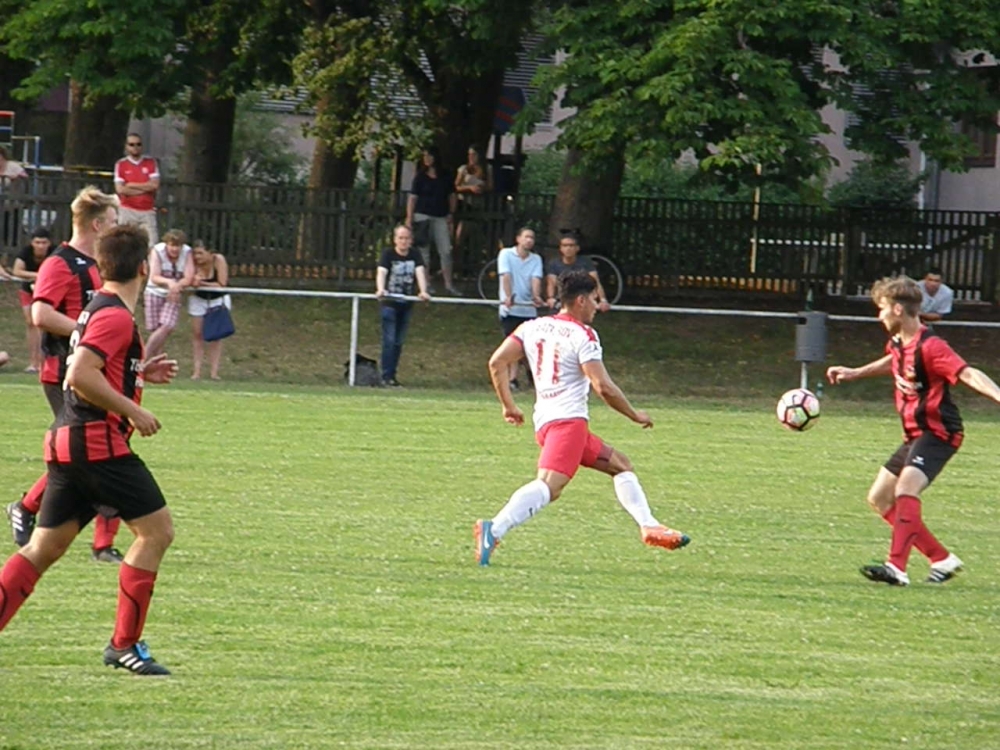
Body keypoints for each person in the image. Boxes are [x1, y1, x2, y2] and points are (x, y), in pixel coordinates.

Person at [0, 222, 178, 675]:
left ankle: (123, 645)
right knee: (156, 533)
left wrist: (138, 372)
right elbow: (79, 374)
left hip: (68, 442)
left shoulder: (98, 306)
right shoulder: (115, 315)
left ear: (101, 266)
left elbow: (94, 366)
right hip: (96, 443)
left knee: (43, 548)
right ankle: (124, 645)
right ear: (144, 268)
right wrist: (133, 410)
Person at [474, 270, 690, 565]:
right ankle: (494, 529)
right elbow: (603, 387)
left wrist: (508, 406)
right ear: (580, 300)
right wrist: (633, 414)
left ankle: (649, 526)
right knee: (549, 486)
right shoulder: (583, 335)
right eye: (594, 299)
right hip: (568, 423)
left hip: (546, 422)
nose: (597, 306)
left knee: (621, 465)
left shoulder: (531, 327)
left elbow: (496, 362)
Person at [826, 275, 1000, 586]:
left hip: (939, 433)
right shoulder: (898, 342)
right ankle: (941, 558)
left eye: (881, 308)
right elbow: (893, 362)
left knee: (906, 490)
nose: (879, 316)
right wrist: (855, 373)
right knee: (880, 498)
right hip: (915, 434)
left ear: (897, 309)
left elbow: (968, 373)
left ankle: (896, 567)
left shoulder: (932, 346)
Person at [6, 186, 124, 562]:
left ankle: (28, 507)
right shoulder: (60, 263)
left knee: (95, 449)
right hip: (63, 372)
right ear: (97, 224)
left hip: (95, 370)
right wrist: (86, 332)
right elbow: (41, 314)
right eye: (114, 221)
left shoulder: (102, 265)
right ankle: (99, 543)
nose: (118, 227)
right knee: (99, 449)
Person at [375, 225, 431, 387]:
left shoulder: (415, 254)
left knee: (398, 342)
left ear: (411, 240)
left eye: (406, 238)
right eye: (400, 238)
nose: (403, 241)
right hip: (389, 304)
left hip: (406, 304)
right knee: (389, 340)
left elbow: (420, 272)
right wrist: (380, 289)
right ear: (395, 239)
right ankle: (386, 376)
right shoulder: (388, 254)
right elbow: (381, 272)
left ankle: (391, 376)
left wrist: (423, 291)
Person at [405, 147, 459, 296]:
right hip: (422, 215)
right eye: (424, 156)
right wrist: (409, 217)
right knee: (424, 252)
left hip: (441, 216)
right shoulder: (420, 177)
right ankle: (426, 284)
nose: (426, 159)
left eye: (429, 156)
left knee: (446, 250)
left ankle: (449, 284)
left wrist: (451, 213)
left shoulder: (446, 176)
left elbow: (452, 195)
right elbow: (413, 198)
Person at [496, 227, 544, 391]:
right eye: (526, 237)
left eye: (532, 238)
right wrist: (508, 296)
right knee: (513, 345)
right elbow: (506, 276)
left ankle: (531, 375)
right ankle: (513, 379)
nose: (529, 240)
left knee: (529, 347)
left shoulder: (536, 259)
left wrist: (536, 296)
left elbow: (535, 279)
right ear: (518, 239)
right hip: (510, 310)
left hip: (528, 310)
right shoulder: (506, 254)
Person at [11, 227, 56, 373]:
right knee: (30, 323)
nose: (41, 246)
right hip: (28, 289)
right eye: (37, 242)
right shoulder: (25, 252)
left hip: (48, 290)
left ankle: (44, 362)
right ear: (32, 243)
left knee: (43, 324)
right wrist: (39, 275)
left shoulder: (55, 253)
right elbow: (17, 270)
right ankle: (33, 362)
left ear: (49, 243)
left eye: (44, 242)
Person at [144, 229, 193, 358]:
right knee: (156, 330)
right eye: (172, 245)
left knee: (167, 326)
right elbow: (154, 276)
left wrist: (176, 286)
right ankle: (156, 362)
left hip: (173, 294)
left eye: (178, 246)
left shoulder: (187, 252)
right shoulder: (157, 251)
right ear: (166, 244)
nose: (175, 249)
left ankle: (144, 356)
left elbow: (188, 277)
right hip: (154, 291)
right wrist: (170, 283)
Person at [188, 240, 230, 381]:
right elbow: (188, 280)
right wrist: (193, 281)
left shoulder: (219, 260)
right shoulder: (191, 262)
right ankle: (196, 372)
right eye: (195, 253)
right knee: (197, 334)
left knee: (215, 336)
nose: (197, 257)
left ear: (210, 253)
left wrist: (201, 283)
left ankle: (214, 373)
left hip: (217, 300)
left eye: (201, 253)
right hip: (199, 299)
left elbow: (222, 284)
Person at [544, 232, 611, 313]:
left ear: (577, 248)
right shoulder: (554, 264)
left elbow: (595, 281)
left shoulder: (586, 262)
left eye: (571, 245)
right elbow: (551, 283)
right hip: (561, 301)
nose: (568, 248)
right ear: (560, 248)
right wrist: (550, 297)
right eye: (565, 245)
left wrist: (603, 300)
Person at [113, 134, 160, 247]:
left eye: (138, 144)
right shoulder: (121, 164)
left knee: (151, 244)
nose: (135, 147)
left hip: (147, 211)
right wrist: (145, 189)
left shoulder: (151, 162)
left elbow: (154, 185)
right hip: (127, 210)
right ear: (126, 146)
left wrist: (131, 185)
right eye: (132, 144)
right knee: (124, 245)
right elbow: (120, 189)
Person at [453, 145, 492, 257]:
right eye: (469, 154)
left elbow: (490, 186)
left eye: (474, 154)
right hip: (464, 203)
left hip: (478, 204)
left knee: (476, 233)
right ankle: (457, 256)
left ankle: (474, 257)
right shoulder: (464, 169)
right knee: (461, 231)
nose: (471, 157)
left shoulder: (487, 168)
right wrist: (469, 188)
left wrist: (482, 188)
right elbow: (456, 186)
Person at [0, 146, 29, 248]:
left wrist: (15, 178)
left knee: (12, 229)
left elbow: (25, 176)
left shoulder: (12, 166)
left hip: (12, 204)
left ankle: (11, 250)